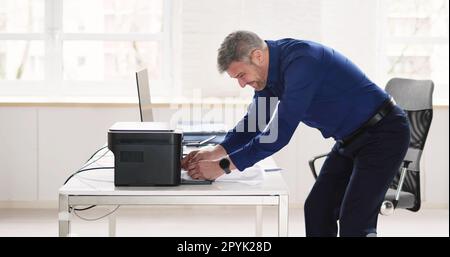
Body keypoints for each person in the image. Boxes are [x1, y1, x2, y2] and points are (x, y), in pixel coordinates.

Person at [181, 30, 410, 237]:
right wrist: (215, 151)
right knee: (318, 209)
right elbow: (255, 123)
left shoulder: (303, 62)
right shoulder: (267, 77)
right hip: (350, 140)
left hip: (384, 133)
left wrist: (223, 166)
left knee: (355, 223)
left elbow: (278, 133)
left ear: (258, 56)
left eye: (241, 75)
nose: (242, 84)